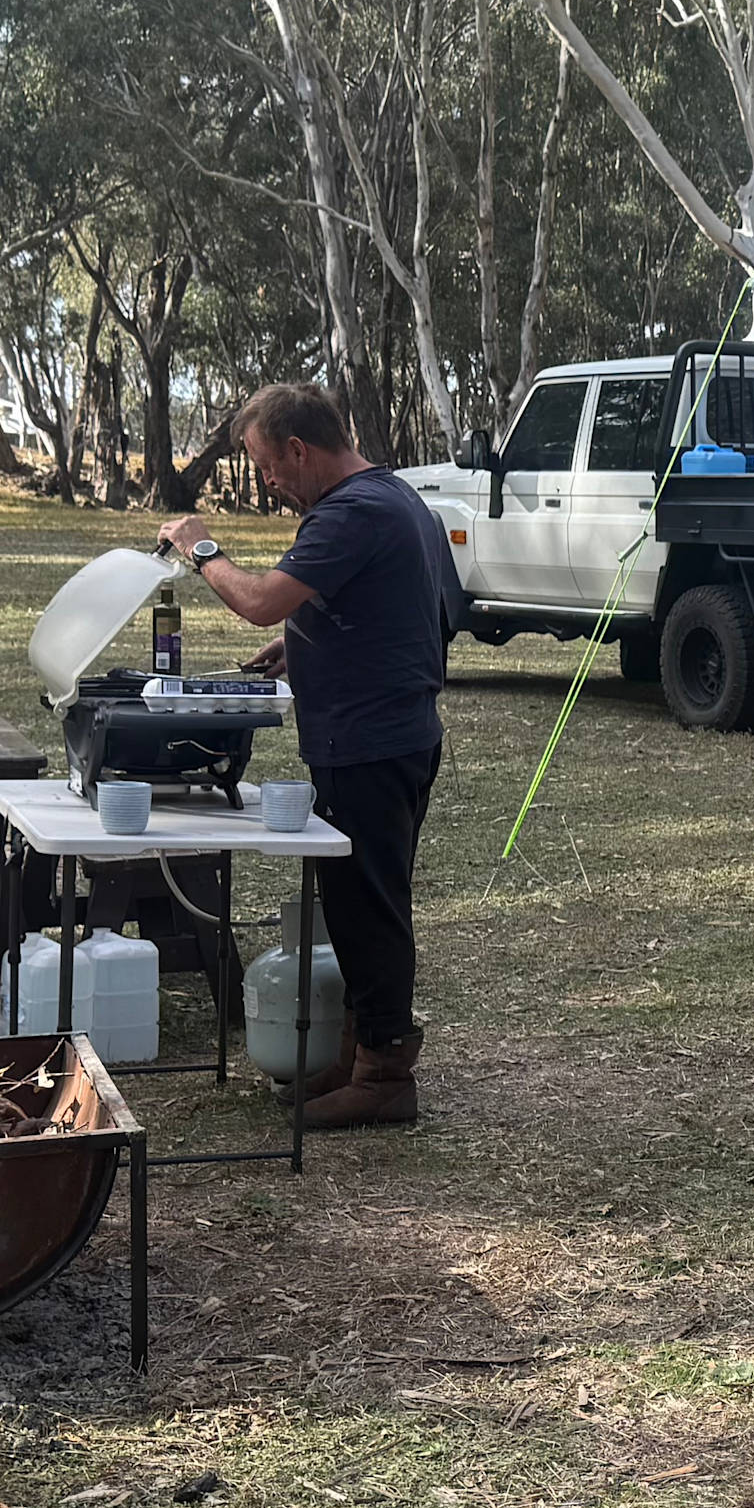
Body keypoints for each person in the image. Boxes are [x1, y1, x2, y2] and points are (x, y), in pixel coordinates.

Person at [159, 383, 463, 1129]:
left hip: (371, 742)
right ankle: (359, 1054)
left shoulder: (351, 512)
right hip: (383, 733)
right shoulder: (395, 498)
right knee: (354, 901)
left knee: (371, 904)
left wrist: (201, 547)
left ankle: (386, 1072)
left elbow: (261, 596)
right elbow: (419, 609)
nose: (268, 481)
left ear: (299, 449)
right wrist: (305, 643)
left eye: (267, 465)